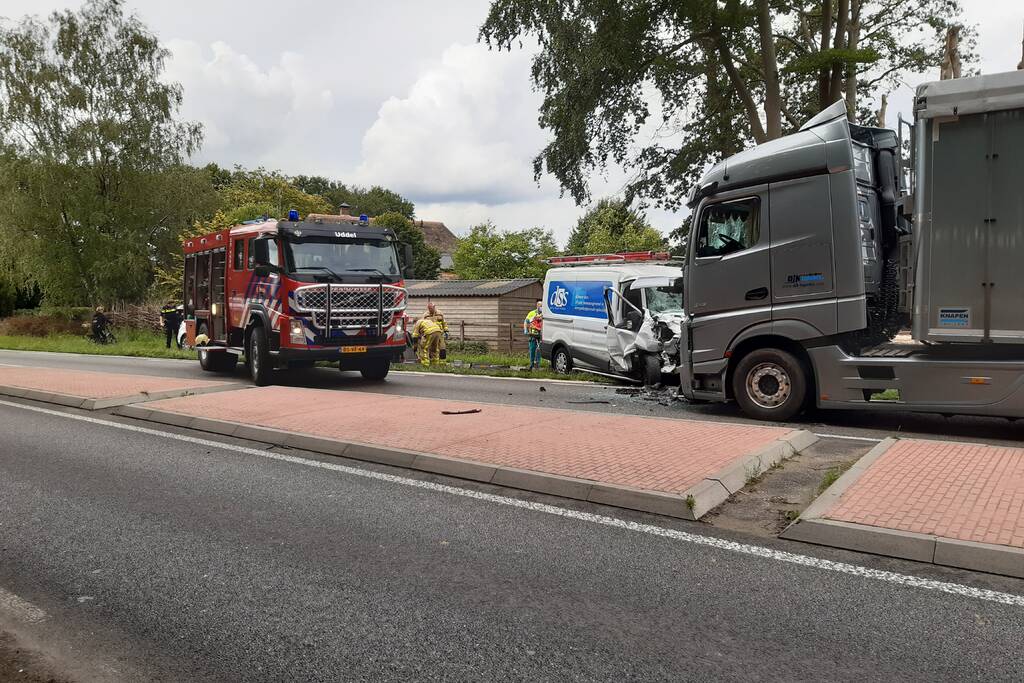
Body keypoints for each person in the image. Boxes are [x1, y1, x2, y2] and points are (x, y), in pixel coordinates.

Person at [524, 299, 543, 370]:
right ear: (537, 306)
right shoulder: (532, 313)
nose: (541, 307)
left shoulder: (544, 314)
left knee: (539, 350)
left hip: (541, 335)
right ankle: (531, 364)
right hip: (532, 334)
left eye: (542, 306)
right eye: (540, 306)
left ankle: (538, 364)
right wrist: (525, 330)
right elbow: (526, 321)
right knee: (532, 349)